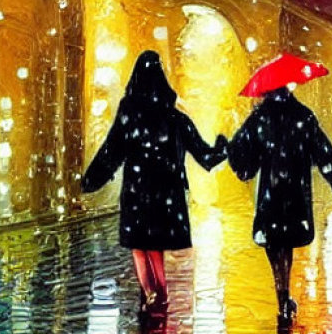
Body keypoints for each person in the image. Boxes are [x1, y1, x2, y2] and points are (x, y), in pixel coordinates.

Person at [80, 50, 227, 317]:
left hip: (138, 191)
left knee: (140, 245)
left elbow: (112, 150)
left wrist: (92, 179)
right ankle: (158, 295)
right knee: (155, 245)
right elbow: (204, 154)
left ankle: (151, 293)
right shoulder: (173, 117)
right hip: (164, 191)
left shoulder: (130, 113)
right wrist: (221, 148)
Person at [228, 84, 332, 326]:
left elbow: (242, 153)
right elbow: (323, 151)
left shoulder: (260, 117)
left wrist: (234, 153)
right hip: (295, 191)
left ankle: (282, 293)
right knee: (286, 243)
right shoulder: (303, 115)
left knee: (274, 243)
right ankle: (284, 294)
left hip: (271, 192)